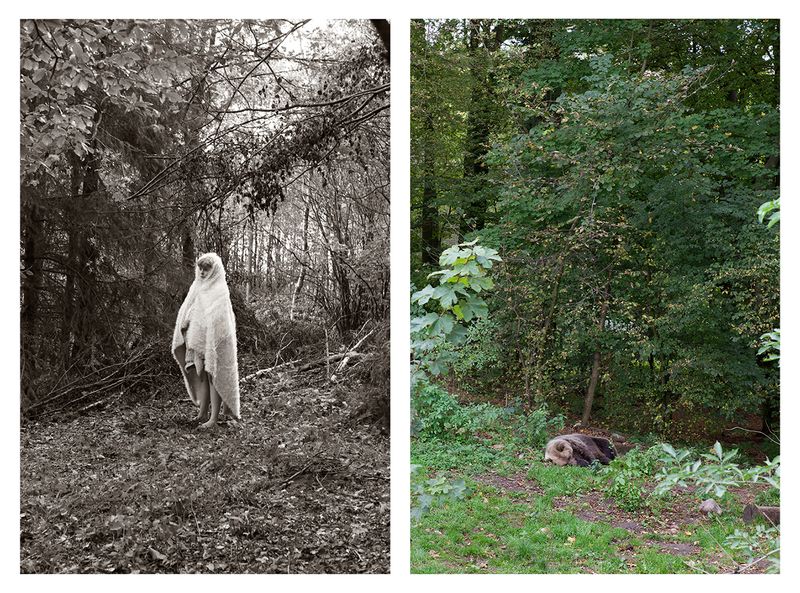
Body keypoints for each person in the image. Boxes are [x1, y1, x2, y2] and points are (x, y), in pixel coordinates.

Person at [172, 253, 241, 428]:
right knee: (201, 375)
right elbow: (190, 308)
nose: (202, 272)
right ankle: (202, 412)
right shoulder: (197, 286)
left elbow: (220, 318)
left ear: (214, 270)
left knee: (213, 376)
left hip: (214, 341)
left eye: (206, 269)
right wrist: (186, 323)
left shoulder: (219, 289)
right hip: (198, 341)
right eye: (200, 268)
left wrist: (212, 336)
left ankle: (213, 418)